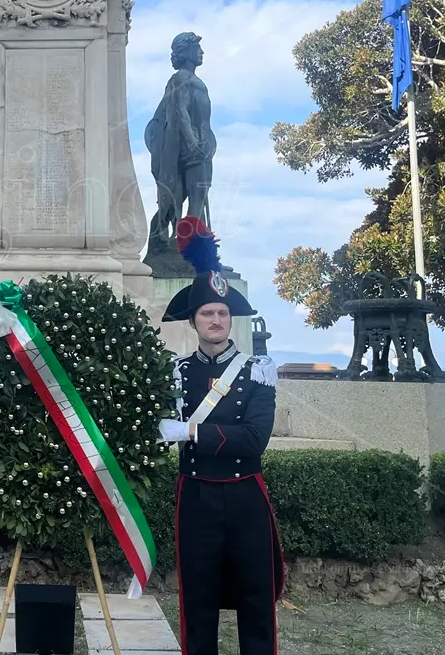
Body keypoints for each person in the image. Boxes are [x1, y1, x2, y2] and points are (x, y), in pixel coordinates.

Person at [157, 216, 284, 655]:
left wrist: (191, 430)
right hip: (196, 495)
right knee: (198, 599)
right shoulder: (176, 372)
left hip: (245, 494)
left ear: (232, 319)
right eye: (207, 313)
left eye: (222, 313)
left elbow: (253, 439)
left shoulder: (257, 371)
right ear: (193, 321)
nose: (216, 320)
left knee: (256, 599)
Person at [144, 32, 216, 265]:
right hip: (191, 146)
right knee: (195, 197)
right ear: (185, 52)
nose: (201, 52)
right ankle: (191, 250)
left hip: (201, 144)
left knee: (193, 195)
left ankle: (191, 248)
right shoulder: (181, 79)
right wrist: (193, 143)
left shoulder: (192, 80)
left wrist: (206, 142)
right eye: (197, 47)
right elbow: (180, 112)